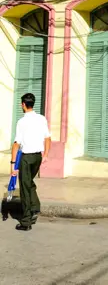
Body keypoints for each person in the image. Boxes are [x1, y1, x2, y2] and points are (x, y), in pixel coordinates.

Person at [10, 93, 51, 232]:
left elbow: (16, 143)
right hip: (37, 158)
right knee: (29, 183)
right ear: (32, 104)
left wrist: (13, 163)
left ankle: (26, 220)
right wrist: (45, 154)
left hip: (26, 158)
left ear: (23, 104)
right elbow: (47, 138)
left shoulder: (21, 122)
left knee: (24, 188)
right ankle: (35, 207)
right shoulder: (41, 119)